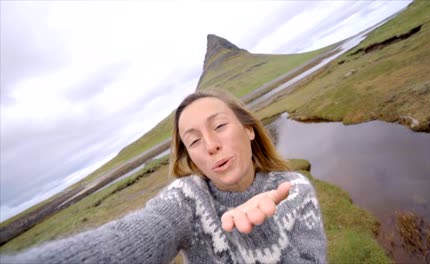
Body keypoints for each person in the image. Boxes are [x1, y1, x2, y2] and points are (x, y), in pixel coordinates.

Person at [2, 89, 327, 263]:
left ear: (249, 130)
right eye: (195, 141)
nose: (211, 145)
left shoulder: (296, 189)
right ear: (192, 158)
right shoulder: (187, 200)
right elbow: (128, 240)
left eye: (220, 126)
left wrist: (261, 231)